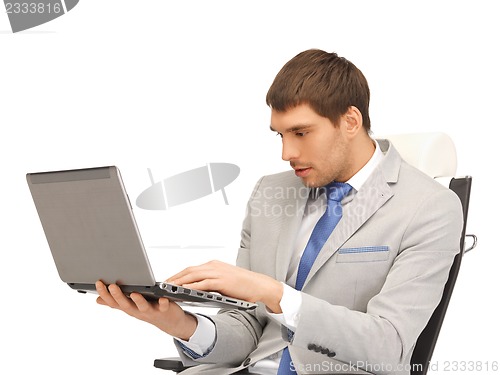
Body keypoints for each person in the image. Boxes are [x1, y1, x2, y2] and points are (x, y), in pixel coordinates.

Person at [95, 49, 463, 375]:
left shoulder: (429, 207)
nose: (286, 153)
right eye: (280, 135)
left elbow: (390, 347)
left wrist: (275, 293)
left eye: (301, 133)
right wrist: (180, 323)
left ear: (350, 121)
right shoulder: (271, 192)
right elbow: (245, 328)